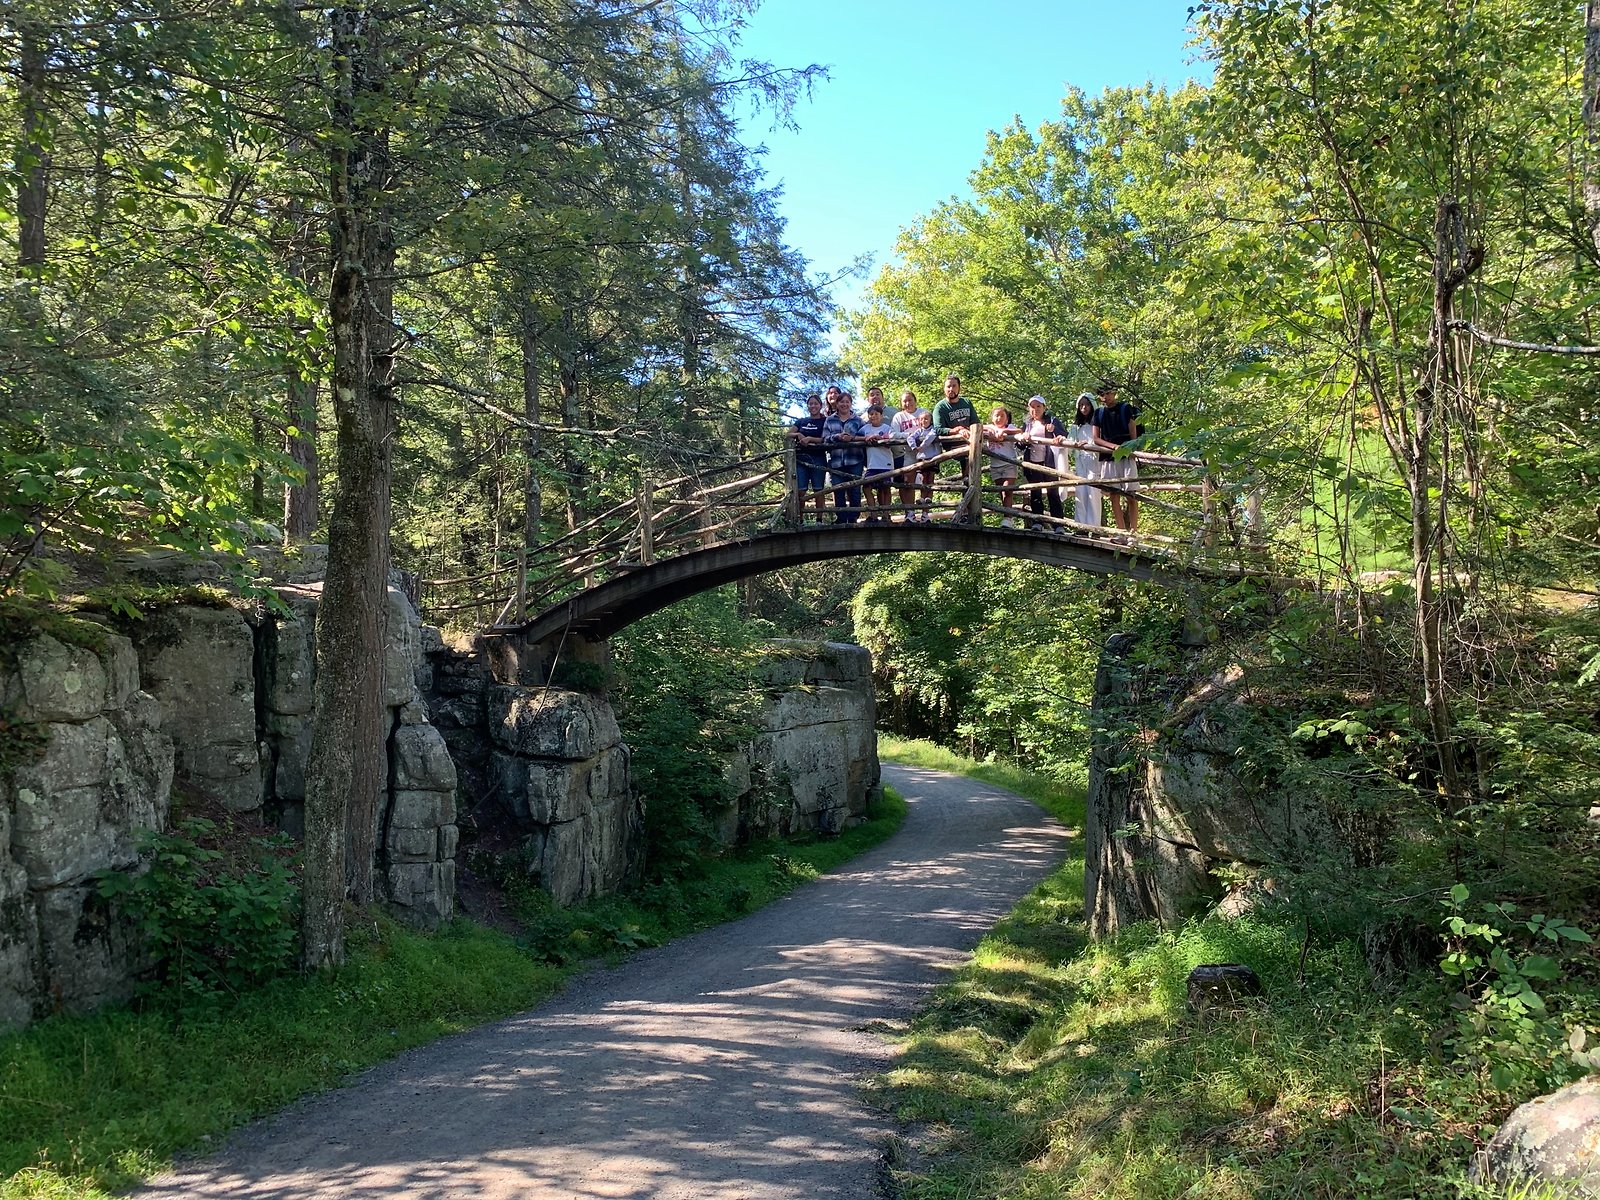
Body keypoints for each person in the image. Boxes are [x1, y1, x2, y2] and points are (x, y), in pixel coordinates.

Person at [1091, 383, 1141, 533]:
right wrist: (1113, 447)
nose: (1105, 397)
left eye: (1108, 393)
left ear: (1114, 393)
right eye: (1102, 394)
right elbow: (1095, 438)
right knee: (1114, 495)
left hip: (1126, 456)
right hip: (1108, 458)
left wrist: (1131, 449)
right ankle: (1121, 532)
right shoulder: (1099, 413)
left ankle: (1133, 532)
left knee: (1131, 495)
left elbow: (1133, 431)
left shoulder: (1125, 408)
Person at [1019, 395, 1066, 527]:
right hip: (1033, 462)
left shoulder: (1052, 421)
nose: (1035, 409)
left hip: (1049, 462)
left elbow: (1064, 435)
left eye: (1038, 406)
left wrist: (1054, 431)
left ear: (1044, 408)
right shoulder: (1027, 424)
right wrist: (1023, 438)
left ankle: (1058, 525)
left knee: (1053, 493)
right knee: (1035, 492)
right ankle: (1037, 522)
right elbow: (1020, 445)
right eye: (1032, 407)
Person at [823, 389, 866, 524]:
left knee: (855, 489)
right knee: (838, 489)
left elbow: (865, 436)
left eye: (847, 402)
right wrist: (837, 437)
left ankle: (853, 517)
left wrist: (852, 438)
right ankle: (841, 518)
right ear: (837, 404)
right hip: (836, 461)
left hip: (855, 459)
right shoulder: (830, 420)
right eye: (842, 402)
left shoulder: (858, 420)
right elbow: (824, 439)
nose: (844, 404)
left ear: (851, 404)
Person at [787, 393, 829, 523]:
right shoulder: (801, 421)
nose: (813, 406)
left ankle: (819, 520)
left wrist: (810, 439)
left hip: (818, 458)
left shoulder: (825, 421)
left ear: (820, 405)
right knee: (801, 491)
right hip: (801, 460)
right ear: (807, 406)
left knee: (818, 490)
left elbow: (825, 438)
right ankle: (800, 519)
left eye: (815, 403)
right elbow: (788, 434)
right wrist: (798, 434)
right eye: (810, 404)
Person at [931, 374, 978, 484]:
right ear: (944, 389)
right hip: (952, 444)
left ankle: (969, 484)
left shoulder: (966, 402)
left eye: (954, 386)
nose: (951, 389)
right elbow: (938, 429)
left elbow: (975, 422)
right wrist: (956, 431)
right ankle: (968, 483)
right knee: (968, 455)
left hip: (970, 441)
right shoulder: (940, 407)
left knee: (974, 456)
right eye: (948, 386)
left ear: (959, 387)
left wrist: (969, 431)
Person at [1066, 392, 1102, 530]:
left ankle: (1095, 527)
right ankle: (1081, 527)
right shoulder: (1076, 426)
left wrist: (1089, 444)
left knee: (1093, 492)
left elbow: (1101, 441)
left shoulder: (1098, 424)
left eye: (1087, 404)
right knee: (1080, 492)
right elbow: (1070, 441)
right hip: (1080, 461)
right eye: (1081, 405)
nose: (1084, 408)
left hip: (1094, 461)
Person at [982, 405, 1022, 526]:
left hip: (1009, 464)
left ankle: (1008, 518)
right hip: (995, 466)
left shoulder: (1009, 427)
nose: (999, 418)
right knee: (1001, 492)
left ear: (1007, 419)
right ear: (992, 418)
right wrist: (990, 429)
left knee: (1007, 490)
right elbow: (977, 427)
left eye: (1002, 416)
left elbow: (1019, 431)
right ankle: (1007, 516)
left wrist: (1004, 431)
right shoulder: (989, 429)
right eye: (996, 415)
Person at [890, 388, 928, 512]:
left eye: (910, 400)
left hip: (924, 451)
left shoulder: (923, 412)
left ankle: (925, 513)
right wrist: (909, 436)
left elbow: (931, 429)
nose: (908, 403)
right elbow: (893, 434)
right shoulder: (899, 416)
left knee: (926, 480)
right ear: (901, 404)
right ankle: (910, 512)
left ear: (915, 401)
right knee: (908, 481)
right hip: (907, 453)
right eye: (904, 401)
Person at [860, 402, 899, 522]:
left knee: (885, 488)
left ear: (882, 416)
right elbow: (854, 437)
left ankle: (886, 515)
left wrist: (880, 438)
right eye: (871, 414)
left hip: (885, 463)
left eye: (876, 414)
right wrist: (865, 438)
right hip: (872, 464)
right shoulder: (866, 428)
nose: (873, 416)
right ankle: (873, 514)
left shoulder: (887, 428)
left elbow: (892, 439)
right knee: (866, 487)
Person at [905, 409, 941, 522]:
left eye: (926, 419)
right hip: (922, 458)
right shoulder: (919, 431)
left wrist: (922, 446)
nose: (923, 421)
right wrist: (914, 447)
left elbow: (931, 437)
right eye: (921, 419)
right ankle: (922, 497)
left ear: (931, 420)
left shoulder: (933, 429)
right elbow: (910, 437)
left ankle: (928, 501)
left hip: (933, 458)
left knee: (930, 479)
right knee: (923, 478)